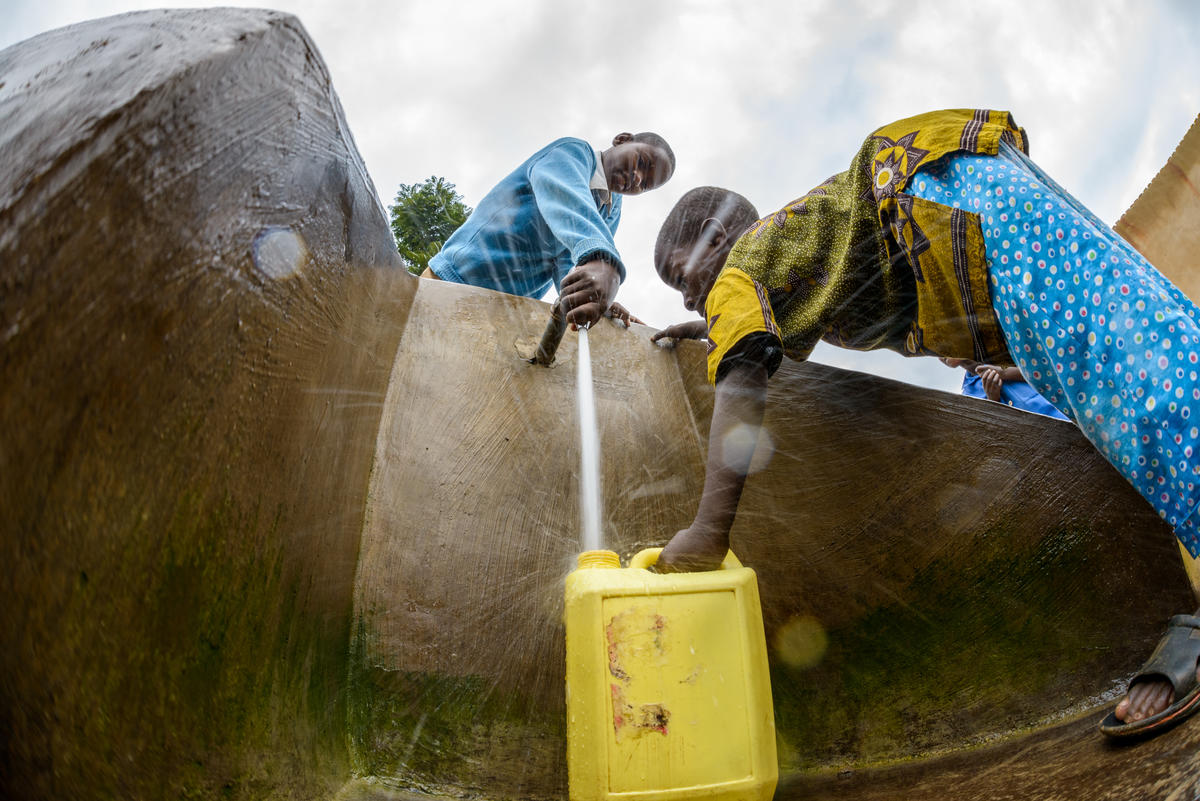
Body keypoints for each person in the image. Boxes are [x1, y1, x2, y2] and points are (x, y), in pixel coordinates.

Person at [649, 110, 1200, 739]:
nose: (688, 300)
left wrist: (707, 532)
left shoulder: (741, 272)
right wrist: (715, 330)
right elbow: (756, 335)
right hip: (960, 183)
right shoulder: (779, 259)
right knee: (1132, 326)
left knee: (1115, 358)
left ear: (718, 239)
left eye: (681, 279)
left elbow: (745, 372)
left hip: (945, 199)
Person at [425, 132, 674, 327]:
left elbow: (570, 259)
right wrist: (602, 259)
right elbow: (564, 196)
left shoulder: (609, 211)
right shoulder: (572, 153)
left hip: (502, 308)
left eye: (646, 185)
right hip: (456, 277)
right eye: (641, 162)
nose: (638, 178)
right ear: (622, 140)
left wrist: (590, 297)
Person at [940, 357, 1069, 420]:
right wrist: (993, 399)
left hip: (1073, 416)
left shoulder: (1008, 346)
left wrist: (1006, 372)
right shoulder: (969, 394)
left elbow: (1058, 371)